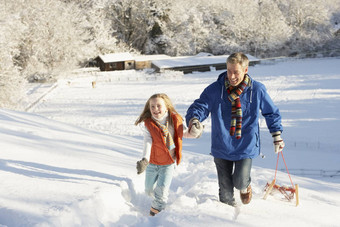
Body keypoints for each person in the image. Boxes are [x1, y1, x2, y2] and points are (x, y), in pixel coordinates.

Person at [185, 52, 284, 206]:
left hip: (246, 143)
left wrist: (276, 135)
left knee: (240, 181)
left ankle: (245, 187)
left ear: (245, 70)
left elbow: (271, 112)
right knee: (225, 195)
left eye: (236, 72)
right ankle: (227, 216)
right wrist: (194, 120)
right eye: (229, 71)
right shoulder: (215, 89)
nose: (231, 76)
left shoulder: (257, 90)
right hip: (221, 143)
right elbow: (200, 106)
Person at [135, 93, 196, 216]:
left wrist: (195, 132)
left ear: (166, 107)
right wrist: (145, 159)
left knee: (162, 190)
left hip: (168, 163)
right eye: (152, 106)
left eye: (158, 106)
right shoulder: (149, 124)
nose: (155, 109)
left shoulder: (175, 120)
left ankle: (157, 209)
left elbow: (185, 133)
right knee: (148, 190)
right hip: (152, 163)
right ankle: (159, 195)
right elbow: (147, 141)